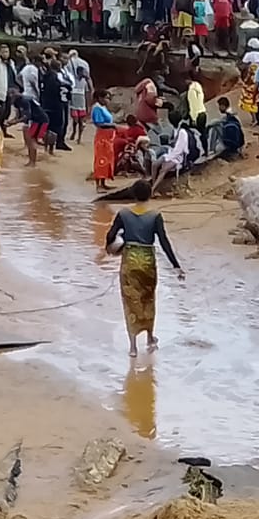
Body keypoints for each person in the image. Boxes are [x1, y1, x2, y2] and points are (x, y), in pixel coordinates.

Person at [104, 204, 184, 357]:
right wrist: (176, 265)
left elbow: (110, 235)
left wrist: (111, 246)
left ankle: (133, 347)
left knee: (130, 302)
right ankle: (150, 339)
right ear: (149, 196)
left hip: (130, 262)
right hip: (147, 262)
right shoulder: (155, 215)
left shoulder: (124, 214)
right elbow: (164, 242)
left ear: (134, 195)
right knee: (148, 300)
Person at [90, 92, 117, 190]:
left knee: (107, 159)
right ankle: (98, 185)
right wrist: (113, 126)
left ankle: (103, 183)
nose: (108, 100)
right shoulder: (97, 108)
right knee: (101, 160)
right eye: (106, 98)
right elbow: (99, 123)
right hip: (102, 137)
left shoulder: (103, 107)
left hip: (108, 137)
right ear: (100, 98)